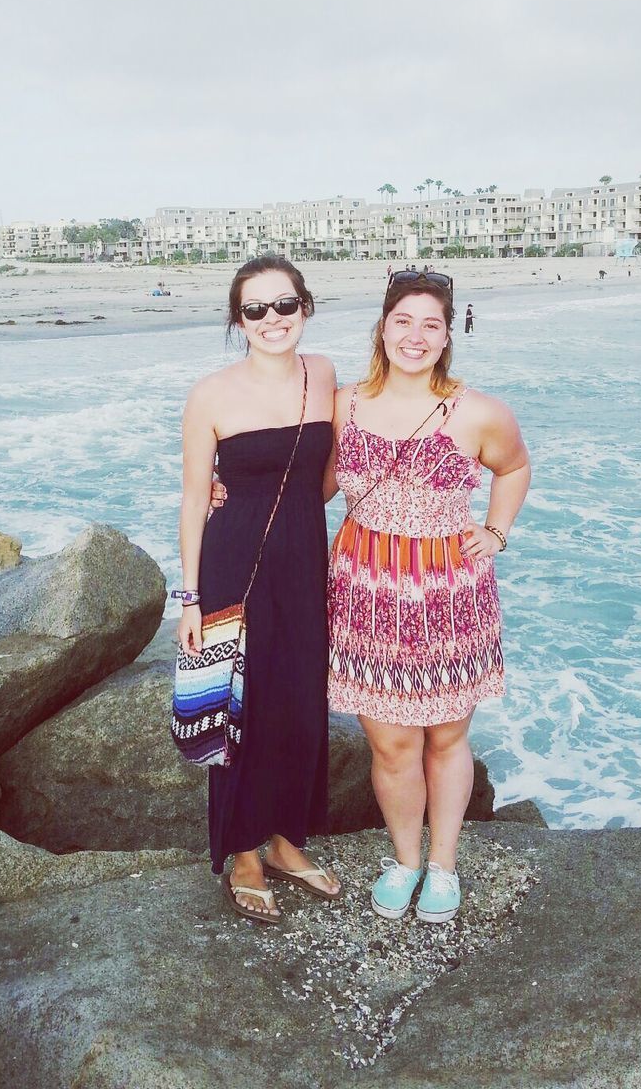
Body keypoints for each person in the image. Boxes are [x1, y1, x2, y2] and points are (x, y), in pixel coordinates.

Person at [327, 270, 531, 923]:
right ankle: (405, 859)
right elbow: (315, 488)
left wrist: (496, 530)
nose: (414, 337)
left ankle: (442, 864)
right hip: (365, 591)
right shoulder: (343, 404)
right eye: (403, 321)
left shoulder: (479, 411)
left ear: (447, 336)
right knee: (391, 745)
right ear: (382, 327)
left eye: (430, 325)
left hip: (448, 594)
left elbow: (515, 466)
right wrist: (230, 494)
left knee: (446, 737)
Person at [177, 255, 341, 924]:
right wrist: (187, 599)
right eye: (256, 309)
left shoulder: (326, 375)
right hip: (232, 561)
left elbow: (327, 474)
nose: (272, 320)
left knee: (301, 700)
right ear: (237, 320)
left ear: (305, 306)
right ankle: (243, 853)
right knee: (238, 712)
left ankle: (285, 841)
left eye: (285, 305)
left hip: (303, 558)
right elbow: (193, 499)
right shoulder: (211, 393)